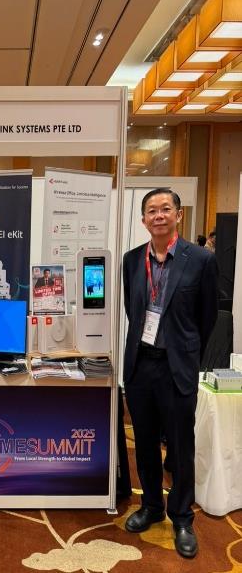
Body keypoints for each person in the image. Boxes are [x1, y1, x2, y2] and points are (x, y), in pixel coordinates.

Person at [122, 189, 218, 559]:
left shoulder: (201, 260)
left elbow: (207, 318)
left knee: (180, 444)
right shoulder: (132, 260)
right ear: (143, 220)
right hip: (141, 364)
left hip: (177, 366)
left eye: (165, 209)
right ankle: (151, 505)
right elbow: (134, 312)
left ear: (178, 215)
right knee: (144, 440)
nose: (158, 215)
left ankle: (181, 517)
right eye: (152, 210)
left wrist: (186, 352)